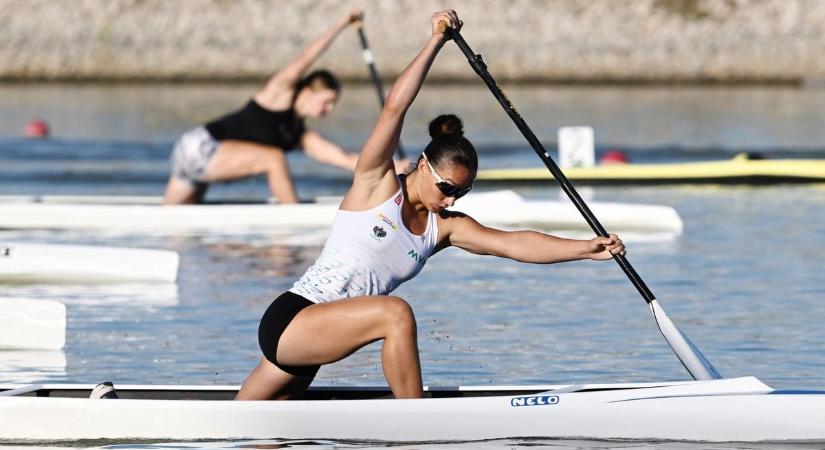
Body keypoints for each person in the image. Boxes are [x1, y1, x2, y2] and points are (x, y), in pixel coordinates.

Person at [235, 10, 625, 401]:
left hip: (322, 333)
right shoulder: (376, 183)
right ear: (423, 165)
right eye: (447, 187)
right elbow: (394, 109)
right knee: (396, 314)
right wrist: (435, 41)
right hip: (295, 319)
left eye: (463, 193)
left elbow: (513, 244)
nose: (452, 199)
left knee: (253, 430)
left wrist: (584, 249)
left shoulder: (445, 227)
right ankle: (415, 422)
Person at [163, 9, 405, 204]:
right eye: (326, 102)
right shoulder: (279, 94)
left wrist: (394, 166)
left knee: (173, 220)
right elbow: (305, 60)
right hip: (200, 148)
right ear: (308, 91)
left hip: (198, 160)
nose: (328, 110)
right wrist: (342, 23)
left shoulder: (300, 136)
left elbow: (343, 159)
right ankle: (291, 214)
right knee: (274, 159)